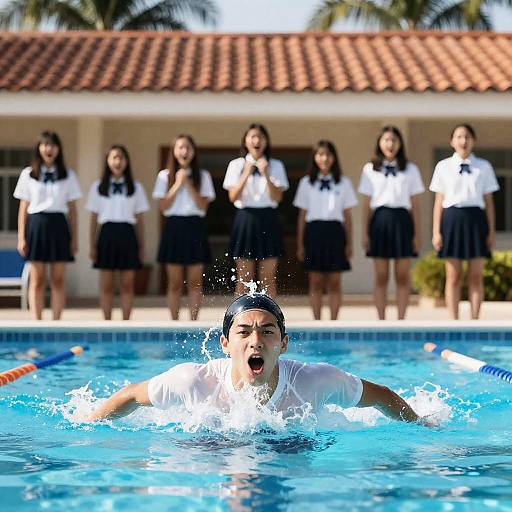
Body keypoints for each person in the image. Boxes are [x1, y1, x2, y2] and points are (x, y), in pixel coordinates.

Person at [89, 293, 427, 426]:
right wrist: (88, 425)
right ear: (224, 343)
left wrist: (419, 425)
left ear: (284, 344)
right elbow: (131, 395)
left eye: (268, 332)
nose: (256, 341)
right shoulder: (195, 381)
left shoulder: (314, 381)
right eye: (244, 332)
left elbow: (381, 395)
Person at [430, 124, 499, 320]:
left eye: (467, 136)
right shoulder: (443, 167)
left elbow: (489, 202)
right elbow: (438, 202)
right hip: (452, 220)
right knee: (453, 276)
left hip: (476, 221)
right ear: (452, 141)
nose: (463, 141)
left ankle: (475, 320)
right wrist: (436, 231)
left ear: (473, 140)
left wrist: (491, 231)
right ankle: (454, 321)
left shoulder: (484, 167)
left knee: (476, 276)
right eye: (459, 137)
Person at [13, 131, 82, 320]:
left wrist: (74, 238)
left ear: (59, 149)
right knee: (38, 278)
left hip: (59, 226)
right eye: (45, 145)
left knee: (58, 279)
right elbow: (23, 209)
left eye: (52, 145)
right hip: (36, 226)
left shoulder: (68, 175)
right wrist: (21, 237)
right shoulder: (28, 174)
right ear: (39, 148)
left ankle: (57, 321)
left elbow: (73, 211)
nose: (49, 149)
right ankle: (37, 321)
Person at [358, 126, 424, 320]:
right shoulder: (370, 168)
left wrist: (417, 234)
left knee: (403, 276)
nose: (390, 144)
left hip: (403, 222)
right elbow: (366, 205)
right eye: (386, 140)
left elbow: (415, 205)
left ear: (400, 144)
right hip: (379, 222)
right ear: (379, 143)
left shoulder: (411, 169)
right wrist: (365, 232)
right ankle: (381, 320)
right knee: (381, 276)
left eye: (394, 140)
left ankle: (402, 320)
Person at [153, 134, 216, 320]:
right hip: (174, 227)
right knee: (174, 283)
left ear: (194, 151)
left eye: (188, 147)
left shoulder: (203, 176)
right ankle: (174, 321)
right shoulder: (164, 176)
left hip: (195, 226)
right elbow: (163, 207)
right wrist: (177, 184)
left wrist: (188, 184)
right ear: (174, 151)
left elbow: (202, 206)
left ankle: (194, 321)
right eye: (180, 147)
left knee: (196, 282)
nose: (184, 151)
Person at [293, 140, 358, 320]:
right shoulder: (306, 183)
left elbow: (347, 216)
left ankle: (334, 321)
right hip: (314, 232)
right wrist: (300, 244)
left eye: (328, 155)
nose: (324, 159)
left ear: (334, 158)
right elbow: (301, 216)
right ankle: (316, 321)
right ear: (314, 158)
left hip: (335, 232)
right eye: (320, 154)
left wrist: (349, 243)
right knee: (315, 280)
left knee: (335, 281)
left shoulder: (343, 182)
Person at [223, 124, 289, 297]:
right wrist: (246, 172)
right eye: (252, 136)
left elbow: (277, 198)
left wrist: (266, 173)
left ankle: (271, 319)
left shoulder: (276, 165)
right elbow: (232, 197)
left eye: (260, 137)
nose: (256, 140)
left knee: (268, 278)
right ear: (245, 141)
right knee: (243, 278)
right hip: (245, 219)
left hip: (269, 218)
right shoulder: (236, 165)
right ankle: (239, 320)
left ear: (266, 142)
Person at [86, 145, 149, 320]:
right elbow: (93, 219)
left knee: (127, 285)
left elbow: (140, 220)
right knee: (106, 285)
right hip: (106, 235)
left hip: (128, 235)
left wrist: (142, 246)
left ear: (126, 161)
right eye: (114, 157)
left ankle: (126, 322)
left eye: (121, 157)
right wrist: (92, 245)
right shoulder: (97, 187)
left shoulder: (136, 187)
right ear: (107, 161)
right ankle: (107, 322)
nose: (117, 161)